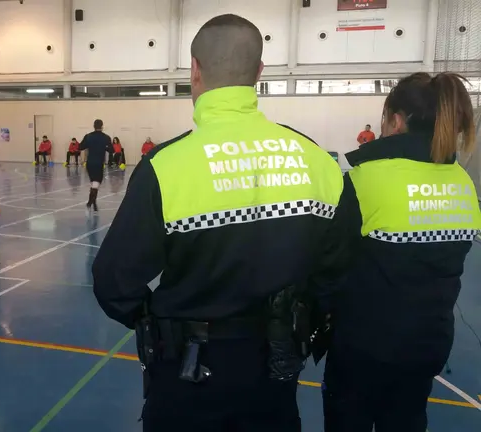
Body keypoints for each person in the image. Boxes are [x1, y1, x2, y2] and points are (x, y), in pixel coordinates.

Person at [91, 14, 344, 431]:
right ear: (259, 73)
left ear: (194, 69)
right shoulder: (318, 162)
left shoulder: (166, 166)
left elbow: (114, 282)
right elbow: (336, 273)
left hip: (187, 378)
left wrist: (157, 321)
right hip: (274, 379)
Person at [320, 72, 481, 432]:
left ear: (396, 120)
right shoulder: (462, 183)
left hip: (364, 346)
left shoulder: (363, 179)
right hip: (429, 342)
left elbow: (328, 267)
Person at [79, 119, 112, 213]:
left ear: (94, 126)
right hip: (98, 164)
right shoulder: (106, 137)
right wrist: (104, 147)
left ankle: (93, 203)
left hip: (90, 164)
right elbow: (111, 150)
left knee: (94, 184)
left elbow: (80, 147)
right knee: (96, 183)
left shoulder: (88, 136)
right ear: (102, 126)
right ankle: (90, 202)